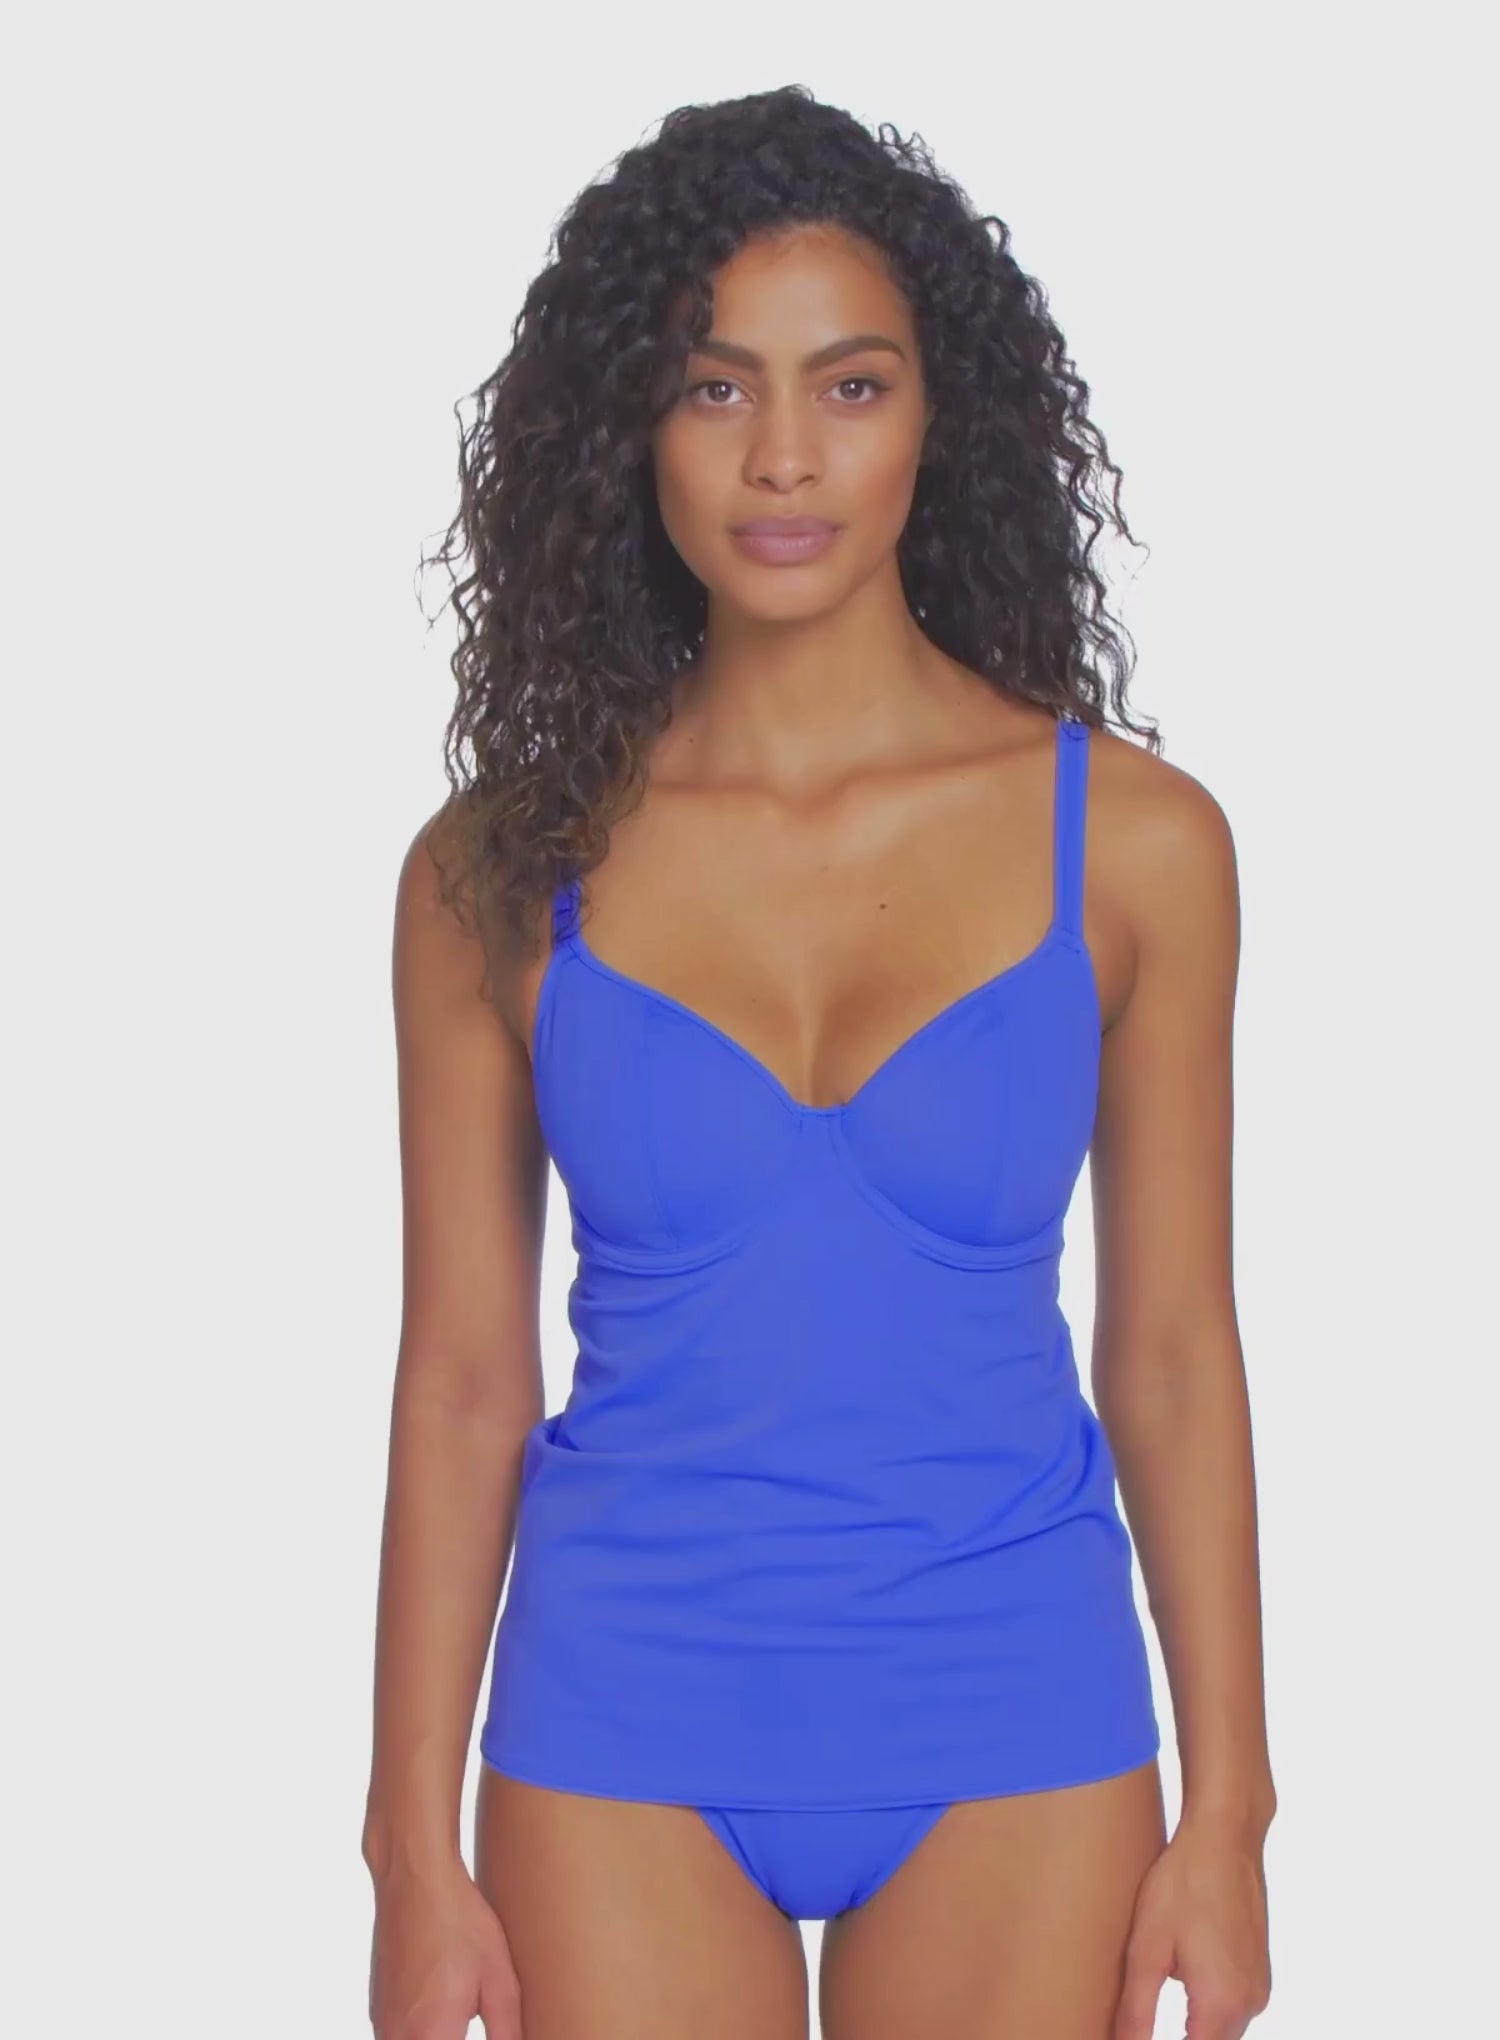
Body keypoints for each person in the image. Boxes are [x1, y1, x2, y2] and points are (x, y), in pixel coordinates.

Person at [362, 84, 1276, 2040]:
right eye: (714, 389)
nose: (782, 456)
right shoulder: (494, 872)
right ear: (630, 423)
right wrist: (407, 1853)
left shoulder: (1136, 847)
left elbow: (1175, 1352)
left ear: (941, 417)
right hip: (620, 1719)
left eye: (849, 387)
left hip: (1014, 1704)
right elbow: (460, 1381)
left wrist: (1235, 1815)